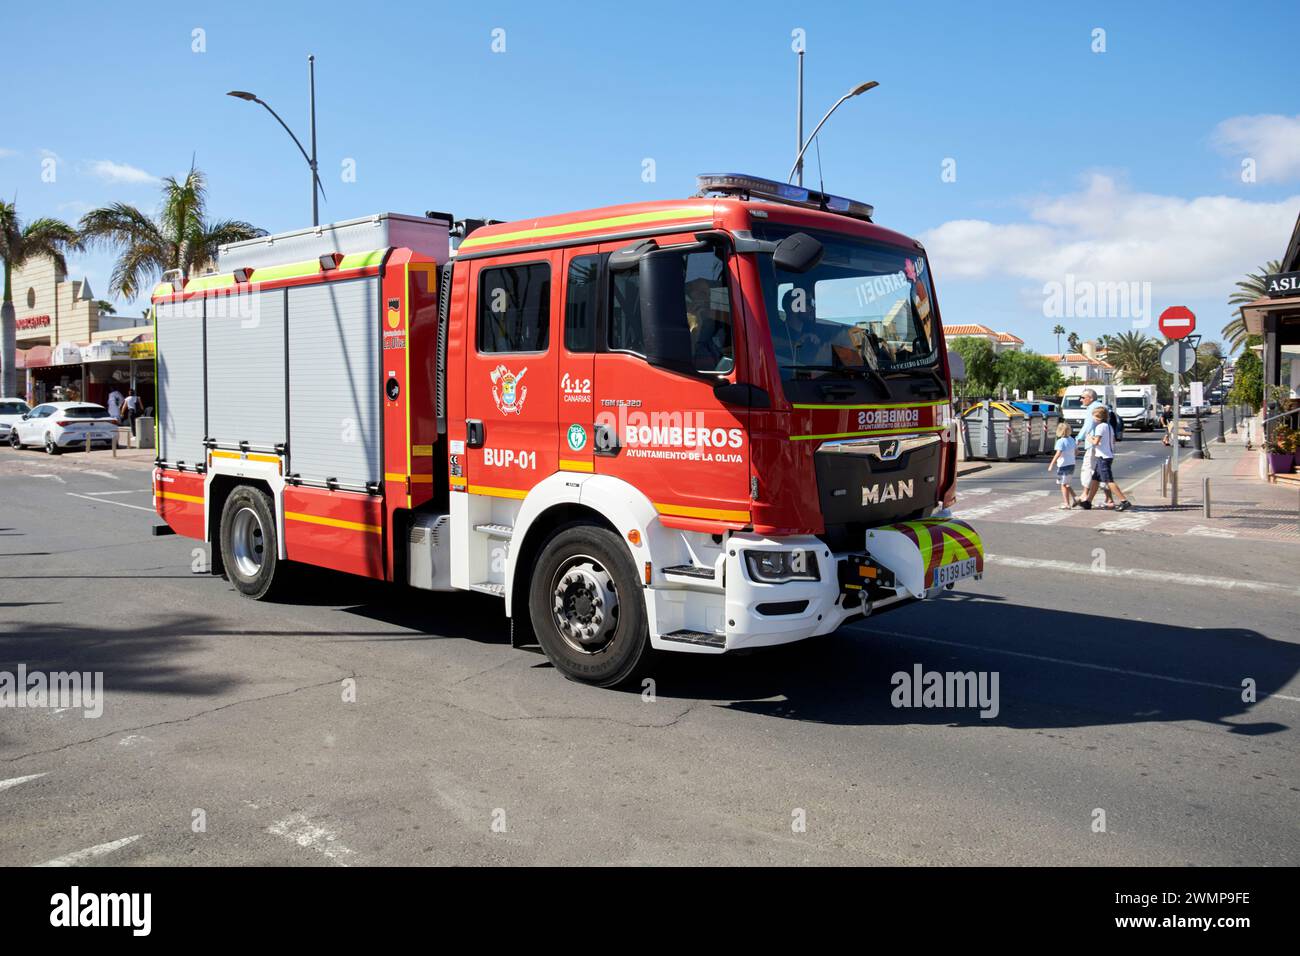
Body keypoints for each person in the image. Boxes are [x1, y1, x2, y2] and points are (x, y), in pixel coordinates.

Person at [1078, 405, 1131, 511]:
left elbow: (1096, 442)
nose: (1093, 419)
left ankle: (1124, 500)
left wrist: (1089, 438)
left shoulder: (1100, 427)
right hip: (1106, 455)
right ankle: (1088, 501)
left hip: (1103, 457)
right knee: (1095, 479)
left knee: (1108, 480)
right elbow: (1108, 440)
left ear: (1098, 417)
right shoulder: (1109, 426)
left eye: (1094, 416)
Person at [1076, 388, 1115, 508]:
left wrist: (1078, 439)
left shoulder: (1094, 409)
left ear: (1090, 398)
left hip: (1094, 445)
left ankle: (1085, 495)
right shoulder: (1102, 407)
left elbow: (1088, 425)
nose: (1080, 400)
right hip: (1105, 448)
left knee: (1088, 468)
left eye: (1083, 397)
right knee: (1099, 474)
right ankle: (1107, 499)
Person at [1047, 421, 1078, 509]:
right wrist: (1071, 457)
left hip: (1063, 465)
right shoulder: (1072, 439)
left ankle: (1066, 504)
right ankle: (1075, 498)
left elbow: (1058, 453)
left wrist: (1051, 464)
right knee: (1066, 483)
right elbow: (1077, 451)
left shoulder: (1060, 441)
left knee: (1063, 485)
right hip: (1072, 464)